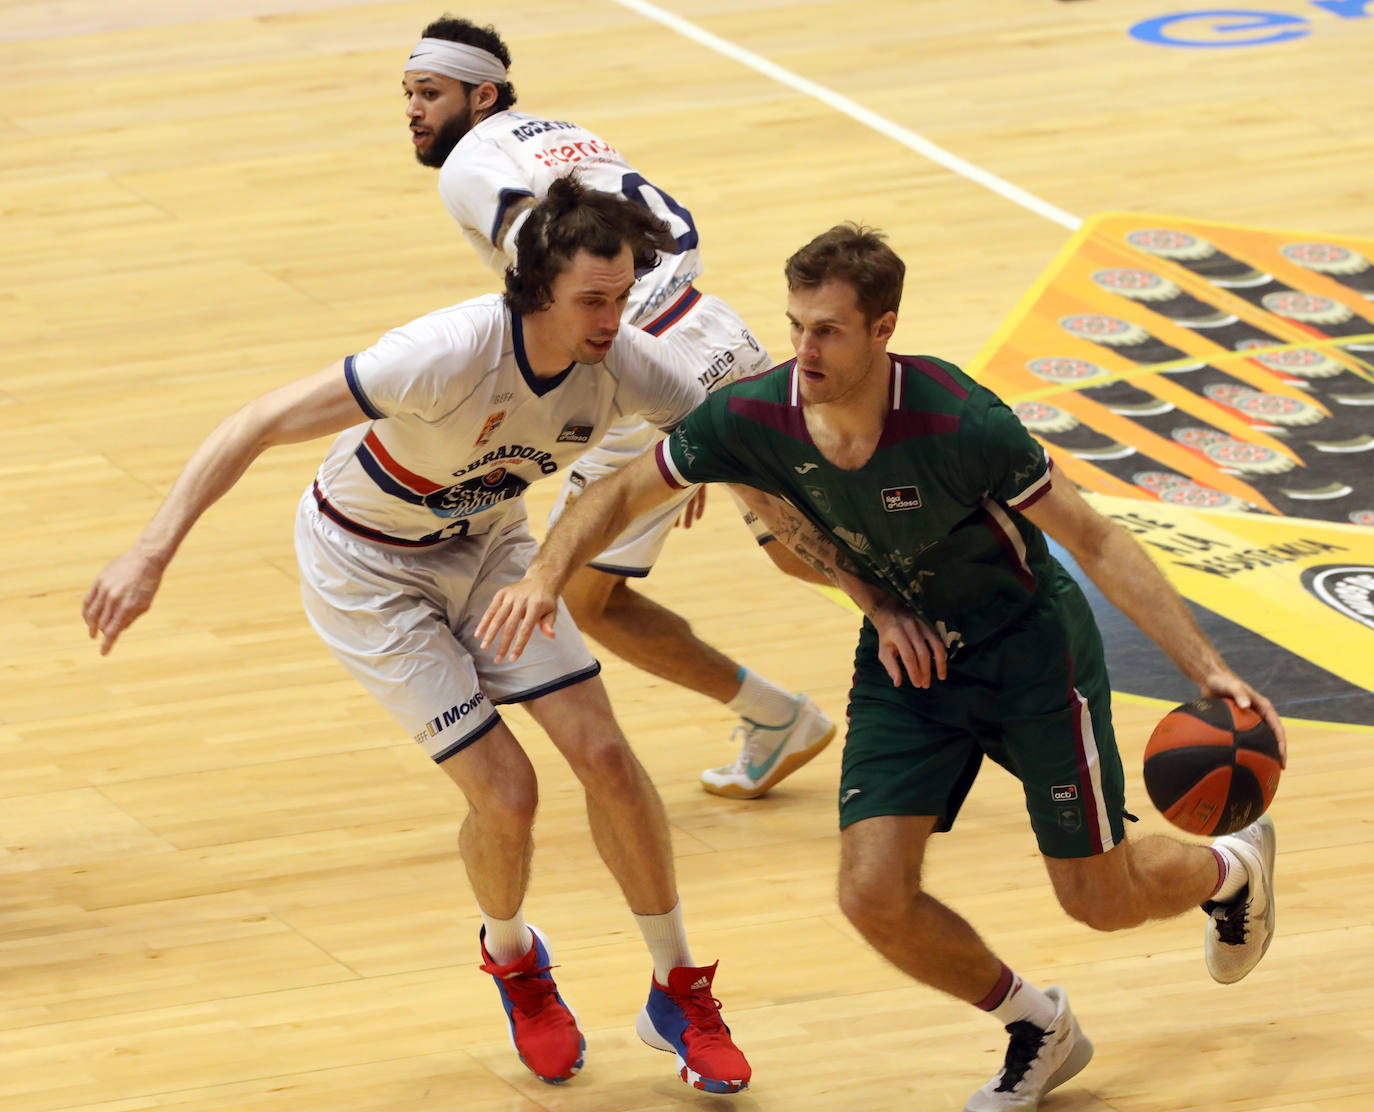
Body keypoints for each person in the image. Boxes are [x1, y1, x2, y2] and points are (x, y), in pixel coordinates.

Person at [476, 224, 1288, 1111]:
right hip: (909, 664)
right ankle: (1037, 1025)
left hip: (1029, 655)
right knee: (872, 895)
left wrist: (1208, 670)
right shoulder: (755, 415)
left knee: (1098, 897)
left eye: (826, 331)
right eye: (795, 326)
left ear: (882, 329)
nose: (804, 350)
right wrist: (547, 576)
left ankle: (1231, 869)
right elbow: (621, 490)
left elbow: (1094, 539)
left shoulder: (958, 420)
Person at [82, 179, 753, 1095]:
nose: (612, 318)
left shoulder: (628, 361)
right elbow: (254, 422)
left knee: (603, 754)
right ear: (535, 293)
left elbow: (715, 433)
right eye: (592, 301)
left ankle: (675, 988)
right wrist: (150, 553)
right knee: (508, 795)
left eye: (623, 295)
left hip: (490, 552)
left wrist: (693, 473)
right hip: (368, 572)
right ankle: (514, 958)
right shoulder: (443, 354)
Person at [401, 15, 835, 799]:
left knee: (583, 591)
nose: (414, 110)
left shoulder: (468, 164)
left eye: (430, 93)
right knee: (788, 545)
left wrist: (660, 424)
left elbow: (553, 262)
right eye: (409, 94)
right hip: (711, 328)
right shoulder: (565, 132)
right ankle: (810, 700)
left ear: (482, 93)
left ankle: (936, 640)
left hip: (643, 361)